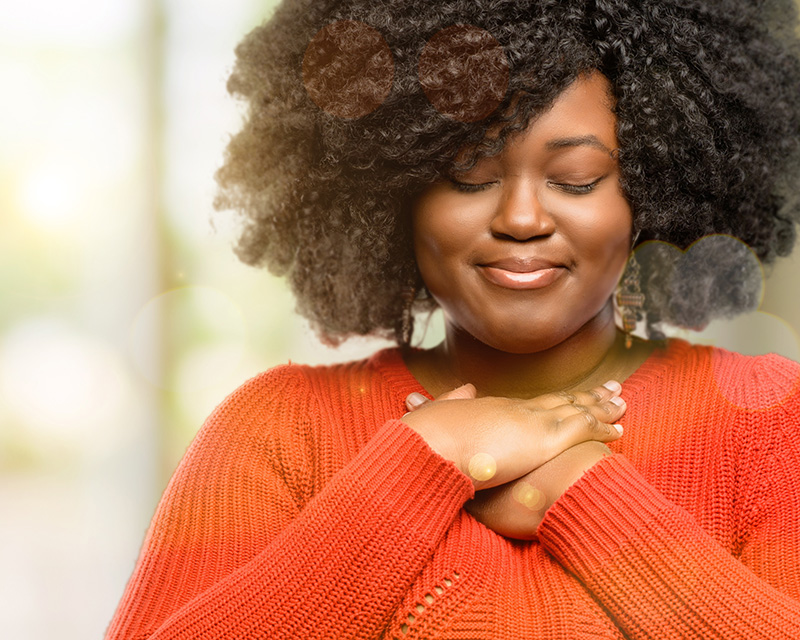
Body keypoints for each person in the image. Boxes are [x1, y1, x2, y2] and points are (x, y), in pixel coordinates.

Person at [105, 0, 800, 638]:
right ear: (392, 190)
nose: (522, 219)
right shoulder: (278, 433)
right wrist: (427, 459)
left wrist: (580, 492)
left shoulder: (766, 423)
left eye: (577, 178)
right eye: (468, 176)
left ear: (651, 188)